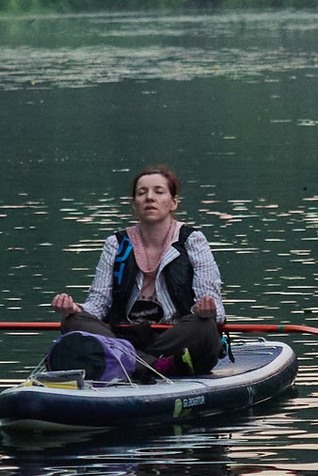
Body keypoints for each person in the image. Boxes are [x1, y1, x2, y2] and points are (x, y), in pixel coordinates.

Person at [45, 163, 228, 380]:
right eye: (142, 193)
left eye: (158, 192)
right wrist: (74, 308)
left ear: (173, 202)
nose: (149, 198)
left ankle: (130, 362)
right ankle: (158, 366)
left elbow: (217, 310)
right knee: (73, 321)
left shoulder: (193, 240)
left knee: (204, 327)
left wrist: (206, 310)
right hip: (125, 339)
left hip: (176, 338)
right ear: (134, 204)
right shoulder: (115, 243)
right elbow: (98, 305)